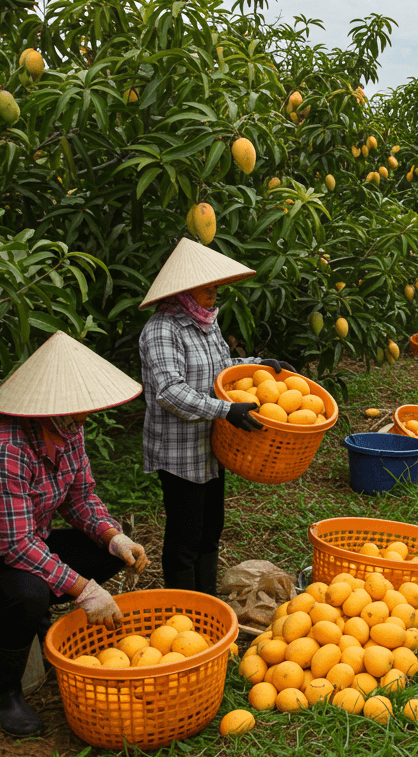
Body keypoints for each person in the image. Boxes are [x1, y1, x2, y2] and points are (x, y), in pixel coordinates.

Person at [0, 331, 150, 737]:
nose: (81, 418)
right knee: (28, 590)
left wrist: (114, 537)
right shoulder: (2, 448)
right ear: (46, 410)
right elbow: (15, 545)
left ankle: (39, 621)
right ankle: (5, 695)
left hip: (26, 545)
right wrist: (84, 590)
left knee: (106, 554)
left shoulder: (68, 431)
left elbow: (80, 499)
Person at [138, 237, 293, 596]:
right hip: (179, 453)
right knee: (185, 534)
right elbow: (169, 392)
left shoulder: (206, 323)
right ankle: (183, 611)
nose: (214, 295)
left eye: (215, 288)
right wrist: (226, 410)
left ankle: (207, 602)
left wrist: (257, 364)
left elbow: (221, 369)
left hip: (211, 446)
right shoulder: (163, 329)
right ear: (185, 292)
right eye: (207, 289)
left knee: (211, 529)